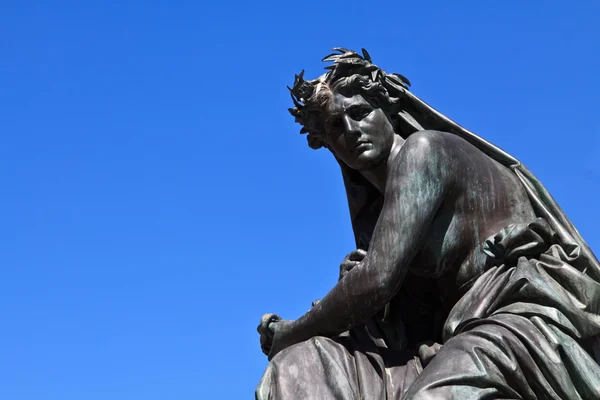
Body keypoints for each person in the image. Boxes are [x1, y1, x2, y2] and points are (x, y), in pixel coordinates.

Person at [256, 48, 600, 399]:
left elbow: (378, 279)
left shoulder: (423, 152)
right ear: (325, 143)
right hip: (456, 334)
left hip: (521, 317)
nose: (351, 130)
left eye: (359, 112)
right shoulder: (379, 212)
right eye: (334, 126)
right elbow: (395, 303)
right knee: (299, 366)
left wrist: (290, 330)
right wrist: (368, 299)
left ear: (387, 108)